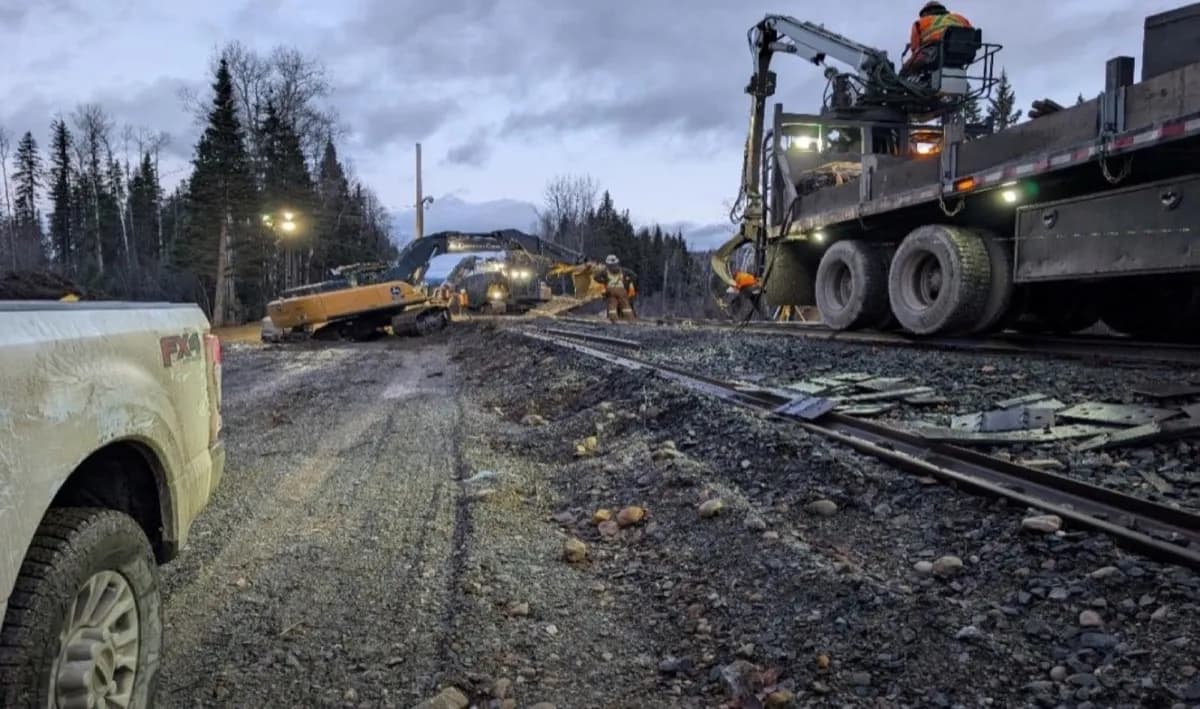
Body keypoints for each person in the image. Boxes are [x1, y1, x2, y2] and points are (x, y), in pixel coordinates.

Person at [901, 1, 972, 76]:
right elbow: (971, 33)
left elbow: (915, 49)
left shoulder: (920, 23)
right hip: (965, 53)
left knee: (907, 68)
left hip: (936, 52)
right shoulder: (960, 18)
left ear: (926, 12)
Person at [594, 254, 637, 323]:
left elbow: (596, 277)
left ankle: (614, 320)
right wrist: (628, 280)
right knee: (626, 305)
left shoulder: (605, 271)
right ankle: (631, 319)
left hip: (611, 290)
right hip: (621, 290)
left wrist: (604, 281)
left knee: (612, 305)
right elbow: (634, 275)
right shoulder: (623, 270)